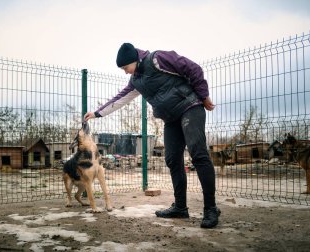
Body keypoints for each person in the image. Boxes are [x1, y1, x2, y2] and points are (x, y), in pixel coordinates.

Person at [84, 43, 220, 228]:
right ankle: (180, 207)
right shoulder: (136, 81)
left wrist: (204, 96)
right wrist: (97, 113)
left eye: (125, 68)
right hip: (171, 119)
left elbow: (193, 68)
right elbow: (119, 99)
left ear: (134, 60)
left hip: (190, 106)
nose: (125, 72)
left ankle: (210, 209)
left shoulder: (158, 59)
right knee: (172, 159)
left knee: (198, 153)